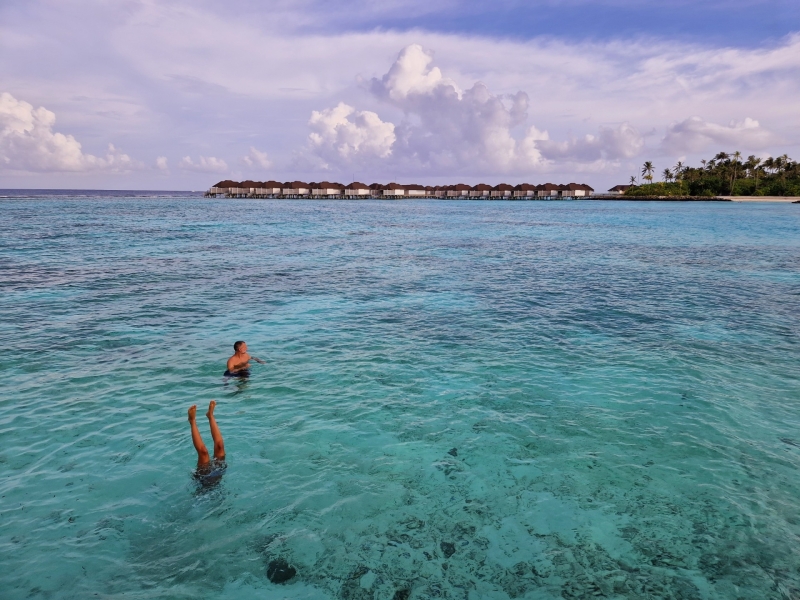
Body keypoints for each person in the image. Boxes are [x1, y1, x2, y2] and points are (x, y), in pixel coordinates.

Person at [188, 401, 226, 488]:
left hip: (204, 479)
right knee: (220, 446)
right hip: (219, 472)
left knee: (203, 452)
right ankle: (210, 416)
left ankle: (192, 421)